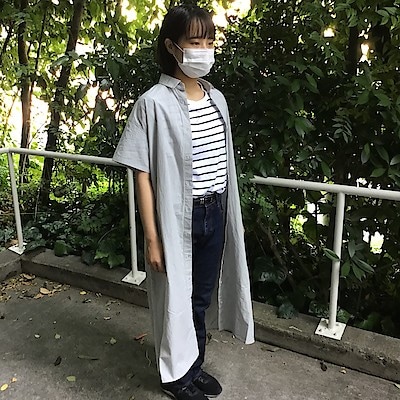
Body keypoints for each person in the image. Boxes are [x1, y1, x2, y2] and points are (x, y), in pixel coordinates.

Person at [113, 4, 254, 400]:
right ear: (172, 47)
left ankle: (194, 367)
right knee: (175, 299)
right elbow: (141, 173)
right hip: (178, 219)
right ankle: (174, 378)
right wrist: (152, 239)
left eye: (209, 42)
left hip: (216, 211)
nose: (204, 50)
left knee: (200, 300)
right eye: (195, 42)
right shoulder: (152, 103)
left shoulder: (216, 98)